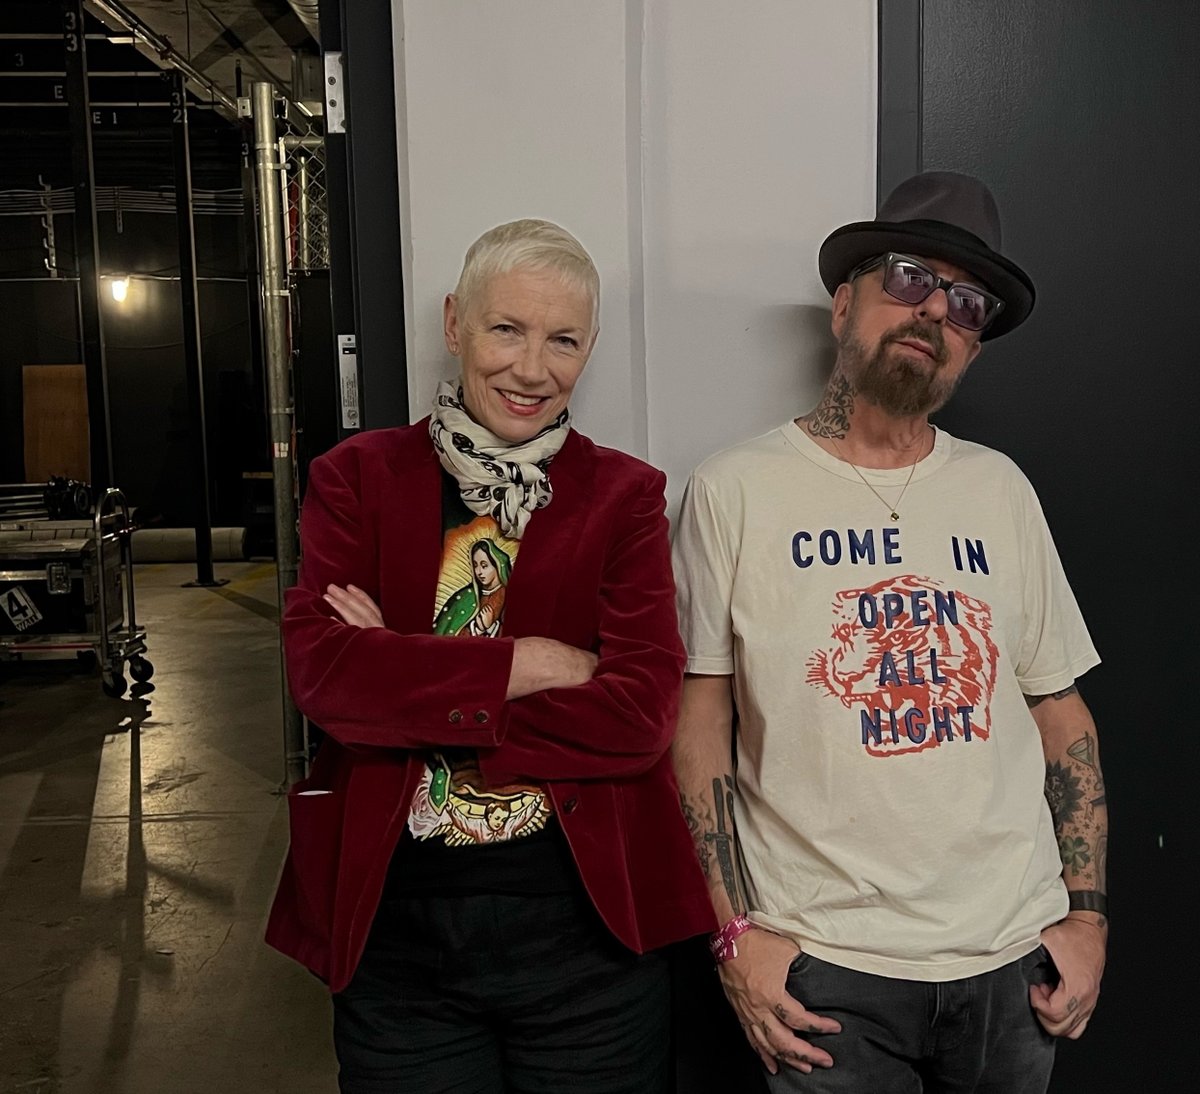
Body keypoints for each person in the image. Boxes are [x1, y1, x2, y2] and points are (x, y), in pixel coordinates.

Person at [671, 172, 1107, 1093]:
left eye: (966, 303)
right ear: (843, 305)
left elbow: (1060, 710)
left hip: (1010, 965)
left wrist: (1088, 916)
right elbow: (699, 719)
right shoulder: (734, 490)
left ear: (973, 347)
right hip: (825, 970)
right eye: (908, 278)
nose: (935, 312)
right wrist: (736, 935)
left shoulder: (1001, 492)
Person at [265, 218, 714, 1093]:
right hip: (398, 944)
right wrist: (534, 663)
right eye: (507, 329)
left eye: (564, 340)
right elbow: (323, 678)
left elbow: (639, 714)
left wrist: (406, 678)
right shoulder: (354, 479)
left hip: (587, 940)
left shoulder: (624, 497)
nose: (532, 368)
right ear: (454, 325)